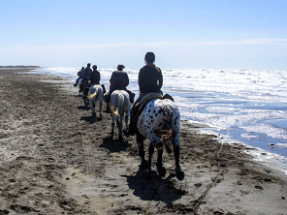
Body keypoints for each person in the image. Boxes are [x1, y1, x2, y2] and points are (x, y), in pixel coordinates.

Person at [124, 52, 163, 136]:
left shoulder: (143, 70)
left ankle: (131, 129)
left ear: (145, 59)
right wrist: (158, 89)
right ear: (153, 59)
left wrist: (142, 92)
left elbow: (140, 83)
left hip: (145, 93)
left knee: (134, 109)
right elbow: (161, 83)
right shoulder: (158, 69)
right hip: (157, 92)